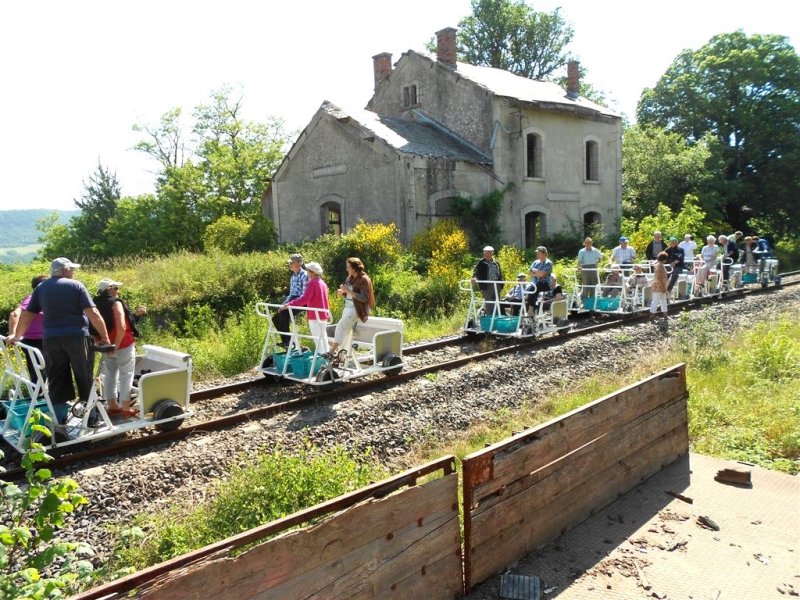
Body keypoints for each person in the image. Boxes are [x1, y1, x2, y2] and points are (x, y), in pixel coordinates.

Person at [7, 257, 111, 425]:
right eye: (71, 269)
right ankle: (91, 418)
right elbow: (93, 313)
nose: (73, 271)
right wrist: (104, 337)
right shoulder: (76, 285)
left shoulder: (41, 288)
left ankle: (58, 419)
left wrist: (17, 336)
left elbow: (27, 315)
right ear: (64, 270)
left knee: (56, 377)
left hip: (51, 340)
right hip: (77, 338)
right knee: (84, 376)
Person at [92, 278, 146, 417]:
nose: (118, 291)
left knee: (110, 375)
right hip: (123, 344)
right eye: (116, 288)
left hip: (105, 346)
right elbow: (121, 326)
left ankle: (112, 406)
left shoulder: (93, 303)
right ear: (109, 289)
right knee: (126, 375)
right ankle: (126, 408)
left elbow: (89, 326)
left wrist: (100, 342)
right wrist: (115, 346)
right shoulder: (116, 303)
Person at [279, 262, 330, 355]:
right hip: (323, 314)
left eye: (308, 271)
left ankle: (322, 358)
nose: (307, 273)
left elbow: (304, 299)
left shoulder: (313, 283)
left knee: (318, 339)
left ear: (312, 272)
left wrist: (288, 304)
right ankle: (327, 356)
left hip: (315, 315)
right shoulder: (322, 283)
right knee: (323, 338)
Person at [329, 257, 375, 360]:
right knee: (346, 331)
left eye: (348, 267)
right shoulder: (349, 278)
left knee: (341, 325)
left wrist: (348, 291)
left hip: (357, 309)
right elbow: (348, 294)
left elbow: (364, 298)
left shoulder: (364, 280)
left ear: (355, 268)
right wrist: (342, 292)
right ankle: (343, 356)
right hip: (348, 307)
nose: (346, 269)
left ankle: (332, 351)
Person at [7, 274, 48, 386]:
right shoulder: (33, 299)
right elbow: (14, 314)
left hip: (34, 341)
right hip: (36, 341)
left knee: (37, 369)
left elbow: (14, 314)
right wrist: (13, 334)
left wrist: (14, 334)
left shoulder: (34, 298)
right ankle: (39, 391)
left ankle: (38, 390)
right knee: (40, 370)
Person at [273, 253, 308, 348]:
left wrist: (289, 304)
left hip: (302, 301)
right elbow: (291, 294)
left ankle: (288, 342)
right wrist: (285, 303)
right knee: (275, 318)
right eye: (290, 263)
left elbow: (304, 295)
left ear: (299, 263)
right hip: (294, 299)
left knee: (284, 313)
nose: (290, 265)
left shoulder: (305, 275)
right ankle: (287, 341)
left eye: (292, 263)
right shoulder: (293, 276)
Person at [472, 246, 503, 314]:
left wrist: (501, 283)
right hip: (487, 285)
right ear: (484, 253)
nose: (488, 254)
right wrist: (474, 278)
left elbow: (500, 273)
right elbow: (476, 272)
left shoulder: (496, 262)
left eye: (490, 253)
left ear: (492, 253)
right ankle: (490, 317)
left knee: (497, 301)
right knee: (489, 301)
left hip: (496, 284)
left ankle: (497, 316)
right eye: (486, 253)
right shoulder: (481, 262)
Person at [525, 246, 553, 311]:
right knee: (529, 290)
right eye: (537, 253)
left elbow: (543, 275)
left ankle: (531, 310)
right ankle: (531, 310)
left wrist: (534, 271)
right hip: (535, 283)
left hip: (545, 284)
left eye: (538, 253)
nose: (537, 254)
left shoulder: (548, 263)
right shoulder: (535, 262)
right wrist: (538, 273)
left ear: (544, 253)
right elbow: (529, 272)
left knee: (534, 288)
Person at [650, 251, 669, 318]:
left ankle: (664, 315)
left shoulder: (658, 265)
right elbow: (659, 278)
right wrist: (663, 288)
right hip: (659, 286)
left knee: (660, 300)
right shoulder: (660, 266)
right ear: (665, 259)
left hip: (659, 285)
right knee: (657, 301)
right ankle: (653, 316)